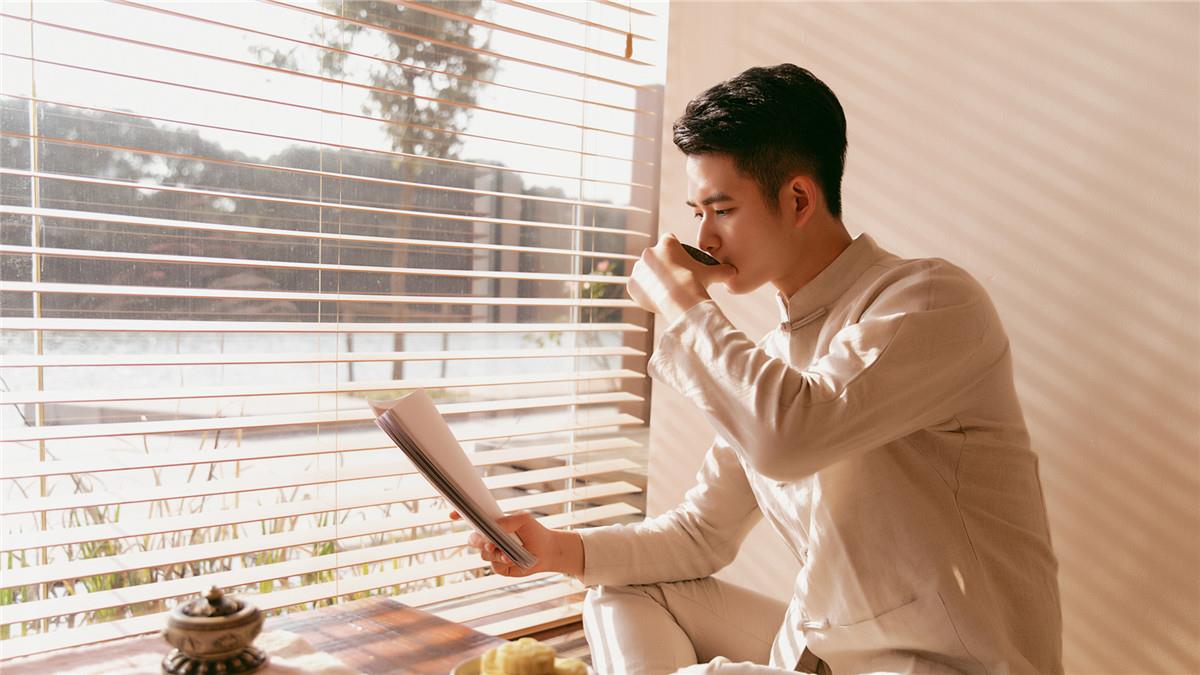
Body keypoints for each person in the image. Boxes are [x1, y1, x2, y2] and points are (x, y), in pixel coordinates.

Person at [459, 64, 1063, 675]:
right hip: (820, 651)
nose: (705, 238)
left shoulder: (928, 302)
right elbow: (701, 533)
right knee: (621, 590)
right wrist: (554, 549)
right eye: (697, 211)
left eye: (722, 210)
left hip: (944, 663)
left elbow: (789, 435)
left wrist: (681, 301)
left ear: (798, 199)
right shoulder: (770, 359)